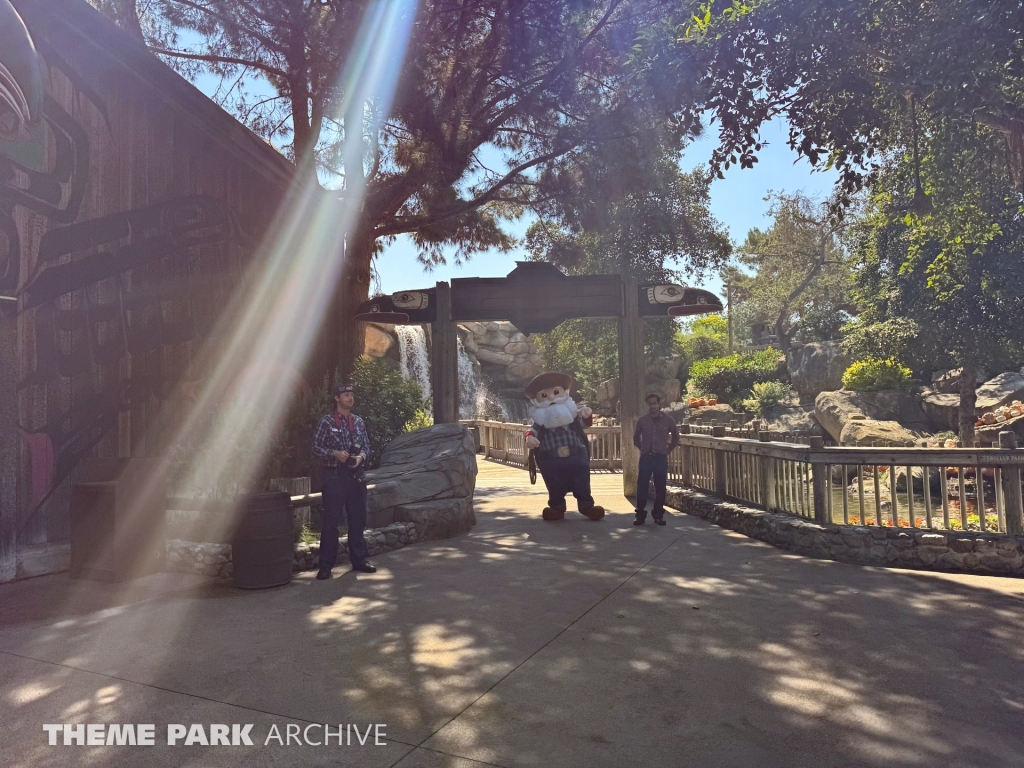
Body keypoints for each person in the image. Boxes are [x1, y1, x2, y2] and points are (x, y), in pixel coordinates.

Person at [311, 384, 375, 578]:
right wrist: (334, 454)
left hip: (356, 477)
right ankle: (326, 566)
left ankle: (359, 560)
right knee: (331, 522)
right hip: (335, 477)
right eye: (346, 395)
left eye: (352, 395)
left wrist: (361, 458)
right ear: (337, 398)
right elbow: (315, 447)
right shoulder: (327, 422)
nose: (350, 398)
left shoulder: (358, 421)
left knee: (358, 521)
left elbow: (366, 446)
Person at [523, 372, 605, 521]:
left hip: (576, 457)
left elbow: (583, 425)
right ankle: (556, 507)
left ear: (564, 392)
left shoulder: (572, 418)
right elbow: (532, 431)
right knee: (555, 485)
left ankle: (587, 506)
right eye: (545, 395)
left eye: (556, 392)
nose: (552, 398)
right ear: (537, 400)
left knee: (582, 483)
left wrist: (587, 416)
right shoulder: (542, 422)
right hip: (551, 461)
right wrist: (530, 438)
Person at [632, 392, 679, 526]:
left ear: (659, 405)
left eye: (654, 403)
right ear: (648, 405)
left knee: (660, 487)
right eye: (650, 404)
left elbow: (676, 436)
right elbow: (636, 438)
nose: (652, 406)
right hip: (646, 457)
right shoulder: (642, 420)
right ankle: (640, 514)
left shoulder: (668, 420)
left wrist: (668, 450)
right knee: (642, 486)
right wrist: (643, 449)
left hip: (660, 458)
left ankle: (658, 514)